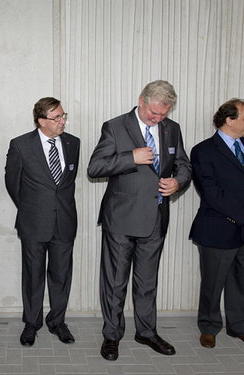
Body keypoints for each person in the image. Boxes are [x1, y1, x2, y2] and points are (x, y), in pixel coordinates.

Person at [88, 80, 191, 361]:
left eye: (163, 115)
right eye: (153, 114)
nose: (158, 119)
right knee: (115, 283)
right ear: (141, 101)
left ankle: (146, 332)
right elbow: (95, 167)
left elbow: (183, 163)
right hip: (121, 220)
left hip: (156, 218)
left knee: (147, 282)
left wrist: (178, 182)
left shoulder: (172, 128)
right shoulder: (115, 126)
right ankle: (111, 336)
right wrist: (130, 157)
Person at [5, 97, 80, 347]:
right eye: (56, 117)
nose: (62, 121)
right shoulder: (21, 145)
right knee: (33, 276)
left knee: (61, 276)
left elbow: (67, 183)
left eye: (63, 115)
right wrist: (31, 209)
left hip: (65, 222)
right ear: (41, 121)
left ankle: (57, 322)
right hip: (33, 223)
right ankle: (31, 323)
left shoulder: (73, 143)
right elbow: (12, 184)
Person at [190, 98, 244, 348]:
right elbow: (210, 192)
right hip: (218, 227)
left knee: (241, 282)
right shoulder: (203, 151)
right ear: (229, 120)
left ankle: (238, 325)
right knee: (213, 283)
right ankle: (209, 327)